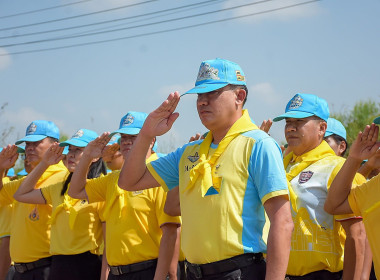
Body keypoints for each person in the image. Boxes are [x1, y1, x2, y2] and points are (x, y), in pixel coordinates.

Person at [118, 58, 293, 280]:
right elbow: (129, 182)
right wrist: (145, 134)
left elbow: (283, 222)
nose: (202, 102)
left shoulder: (258, 144)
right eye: (200, 96)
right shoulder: (188, 153)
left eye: (212, 93)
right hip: (194, 273)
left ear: (239, 96)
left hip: (240, 272)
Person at [69, 112, 181, 280]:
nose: (127, 142)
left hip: (148, 271)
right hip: (116, 273)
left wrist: (163, 277)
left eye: (134, 137)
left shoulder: (159, 175)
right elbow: (75, 191)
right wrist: (87, 157)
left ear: (151, 140)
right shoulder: (114, 179)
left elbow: (171, 233)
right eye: (124, 137)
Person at [273, 93, 367, 280]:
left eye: (299, 122)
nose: (291, 128)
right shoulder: (280, 166)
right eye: (287, 122)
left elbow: (357, 236)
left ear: (322, 128)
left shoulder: (337, 168)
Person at [13, 128, 108, 280]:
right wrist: (44, 163)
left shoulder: (100, 188)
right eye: (70, 149)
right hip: (59, 264)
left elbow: (108, 239)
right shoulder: (60, 188)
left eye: (78, 150)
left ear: (95, 156)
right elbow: (20, 194)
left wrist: (105, 276)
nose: (71, 154)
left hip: (89, 265)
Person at [0, 120, 68, 280]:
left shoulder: (63, 178)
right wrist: (1, 168)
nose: (29, 148)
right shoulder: (27, 180)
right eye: (27, 143)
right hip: (20, 270)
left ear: (55, 145)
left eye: (36, 142)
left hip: (47, 268)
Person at [324, 118, 380, 279]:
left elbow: (360, 235)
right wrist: (355, 159)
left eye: (325, 141)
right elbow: (333, 206)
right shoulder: (375, 186)